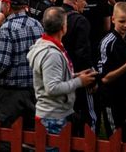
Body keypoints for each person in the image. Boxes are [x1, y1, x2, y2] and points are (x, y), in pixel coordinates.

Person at [27, 7, 98, 137]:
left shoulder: (48, 46)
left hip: (54, 114)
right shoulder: (51, 54)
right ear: (63, 27)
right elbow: (52, 87)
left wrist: (75, 75)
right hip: (53, 116)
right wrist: (79, 81)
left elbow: (52, 76)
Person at [0, 0, 43, 127]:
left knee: (8, 134)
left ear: (7, 5)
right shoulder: (37, 25)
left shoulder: (6, 29)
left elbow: (1, 64)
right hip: (34, 89)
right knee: (31, 132)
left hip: (11, 92)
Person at [96, 2, 126, 138]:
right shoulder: (107, 43)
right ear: (113, 19)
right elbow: (105, 78)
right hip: (112, 99)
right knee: (115, 138)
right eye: (122, 21)